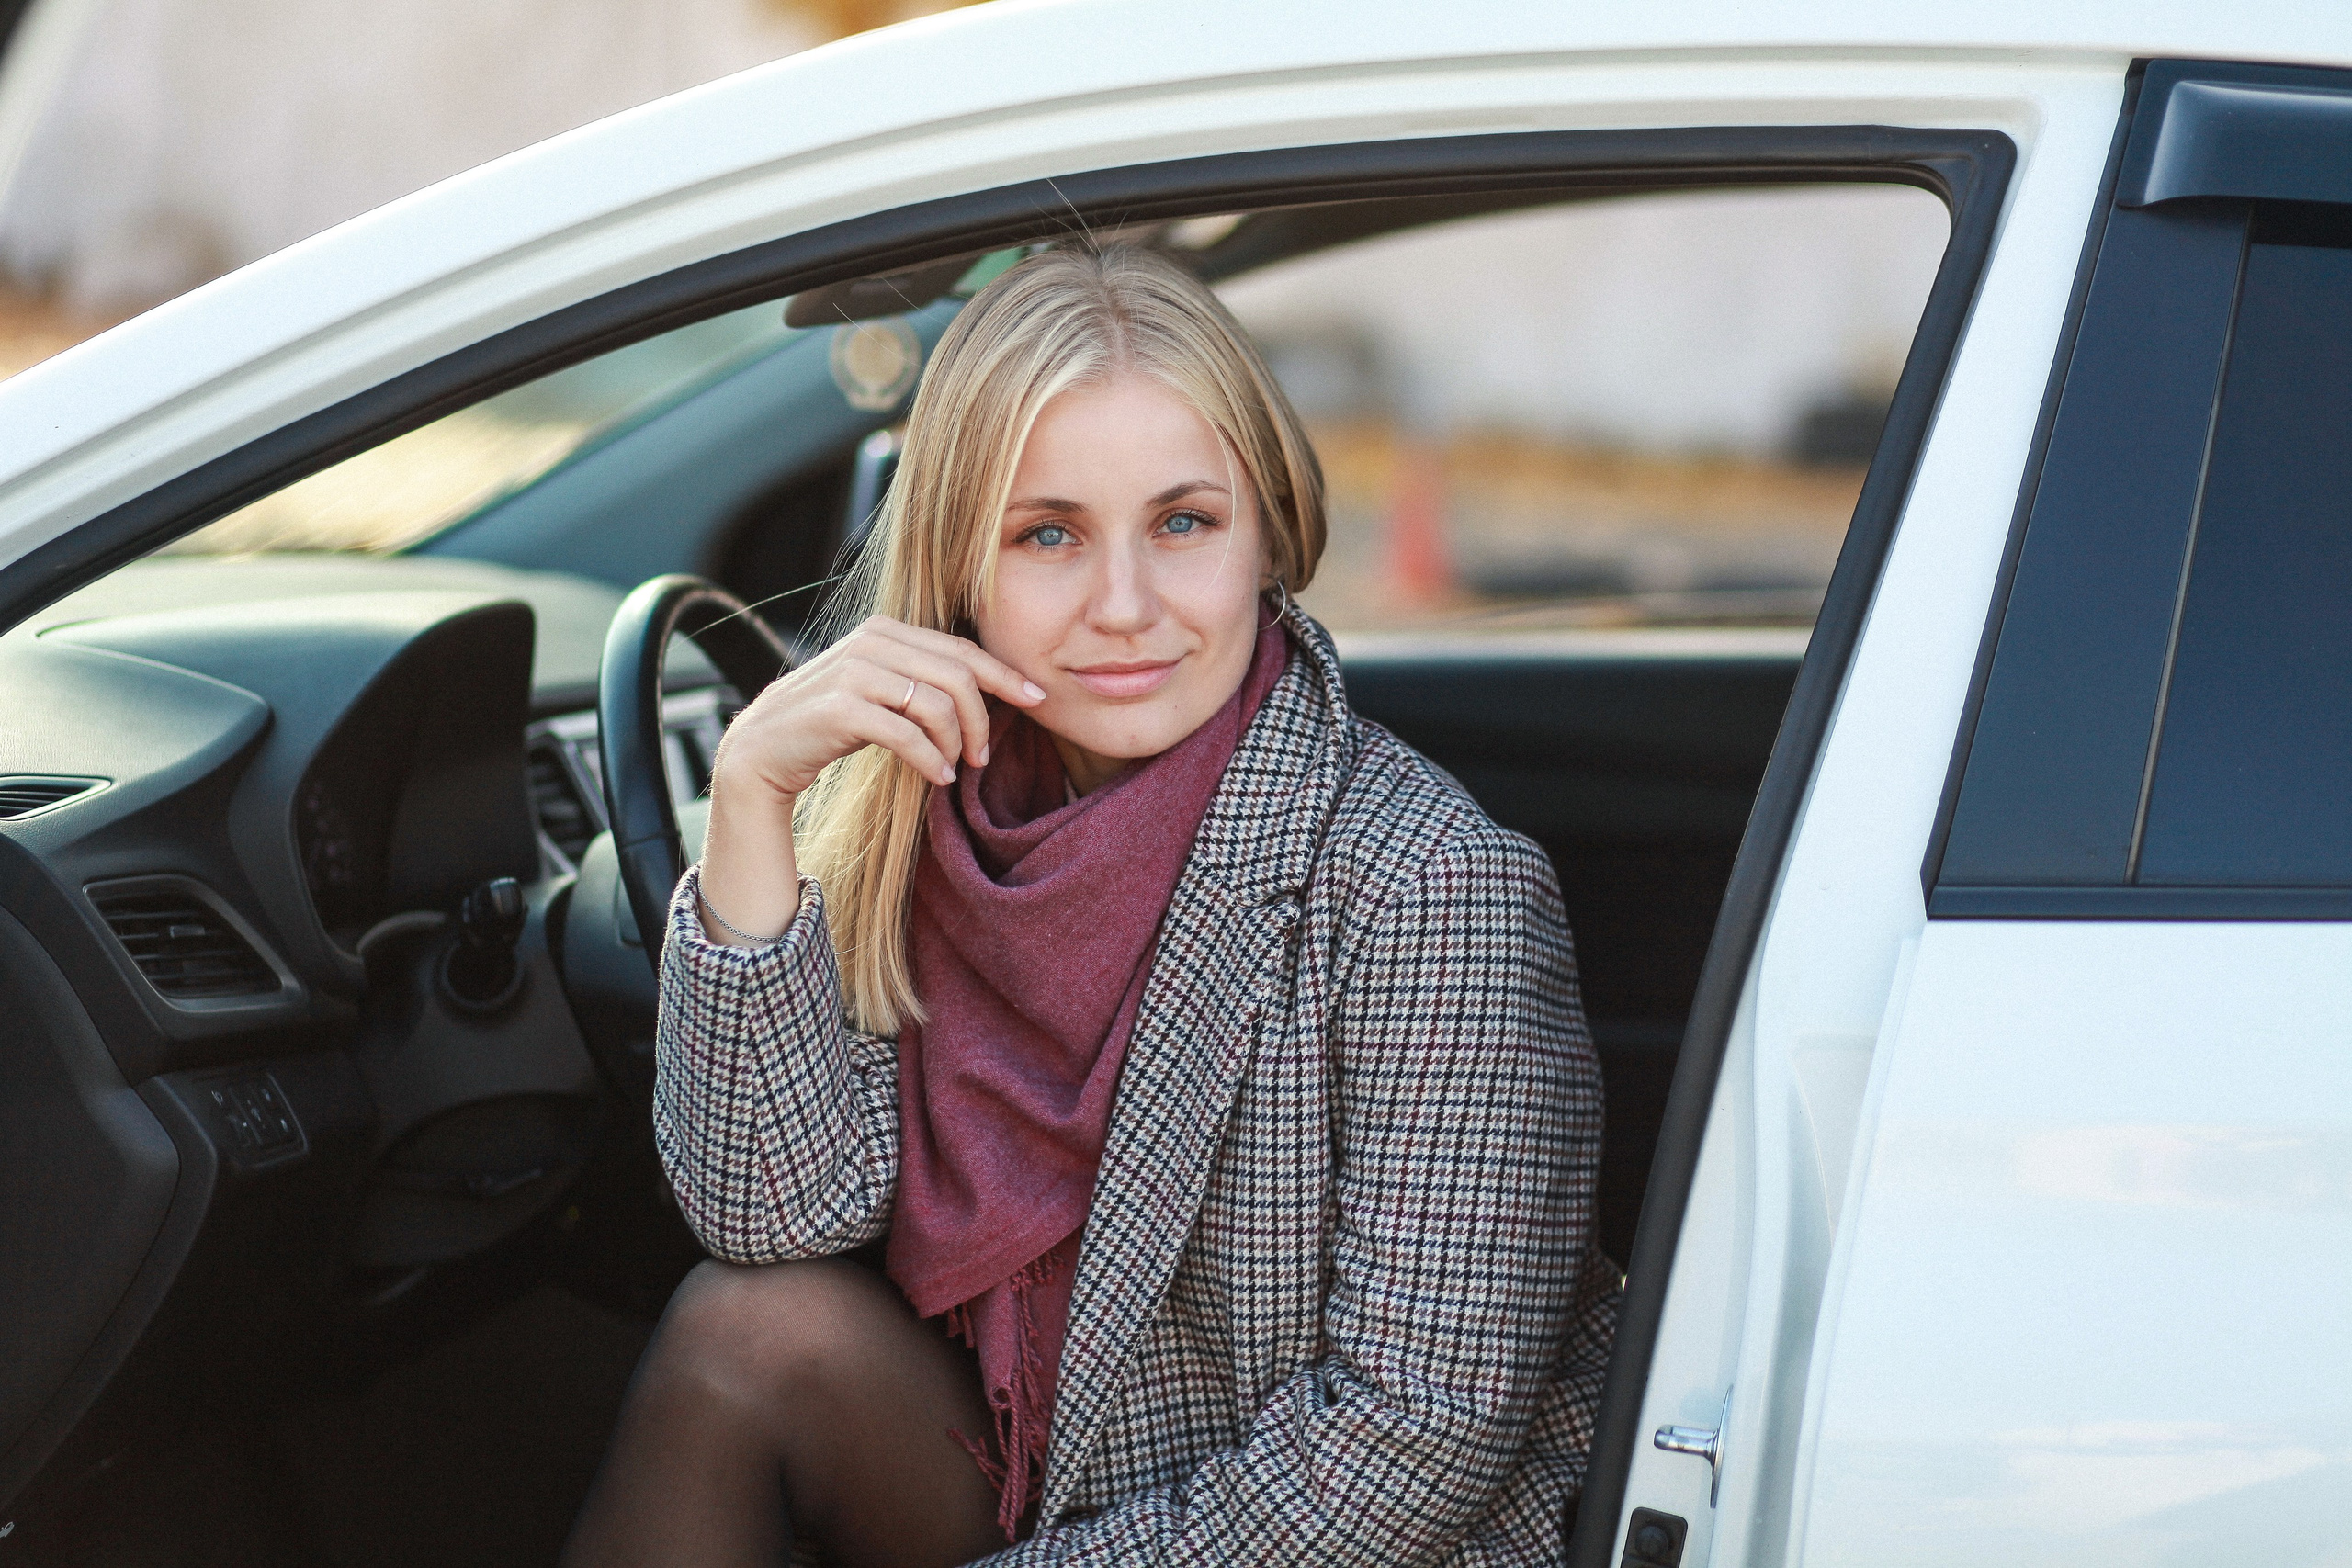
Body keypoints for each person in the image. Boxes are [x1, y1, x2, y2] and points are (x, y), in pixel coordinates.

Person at [563, 243, 1618, 1568]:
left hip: (1338, 1542)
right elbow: (768, 1217)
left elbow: (1408, 1442)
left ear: (1266, 536)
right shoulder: (929, 811)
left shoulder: (1429, 887)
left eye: (1183, 524)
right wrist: (755, 796)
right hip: (1055, 1479)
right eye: (1048, 534)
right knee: (743, 1333)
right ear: (959, 565)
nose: (1125, 609)